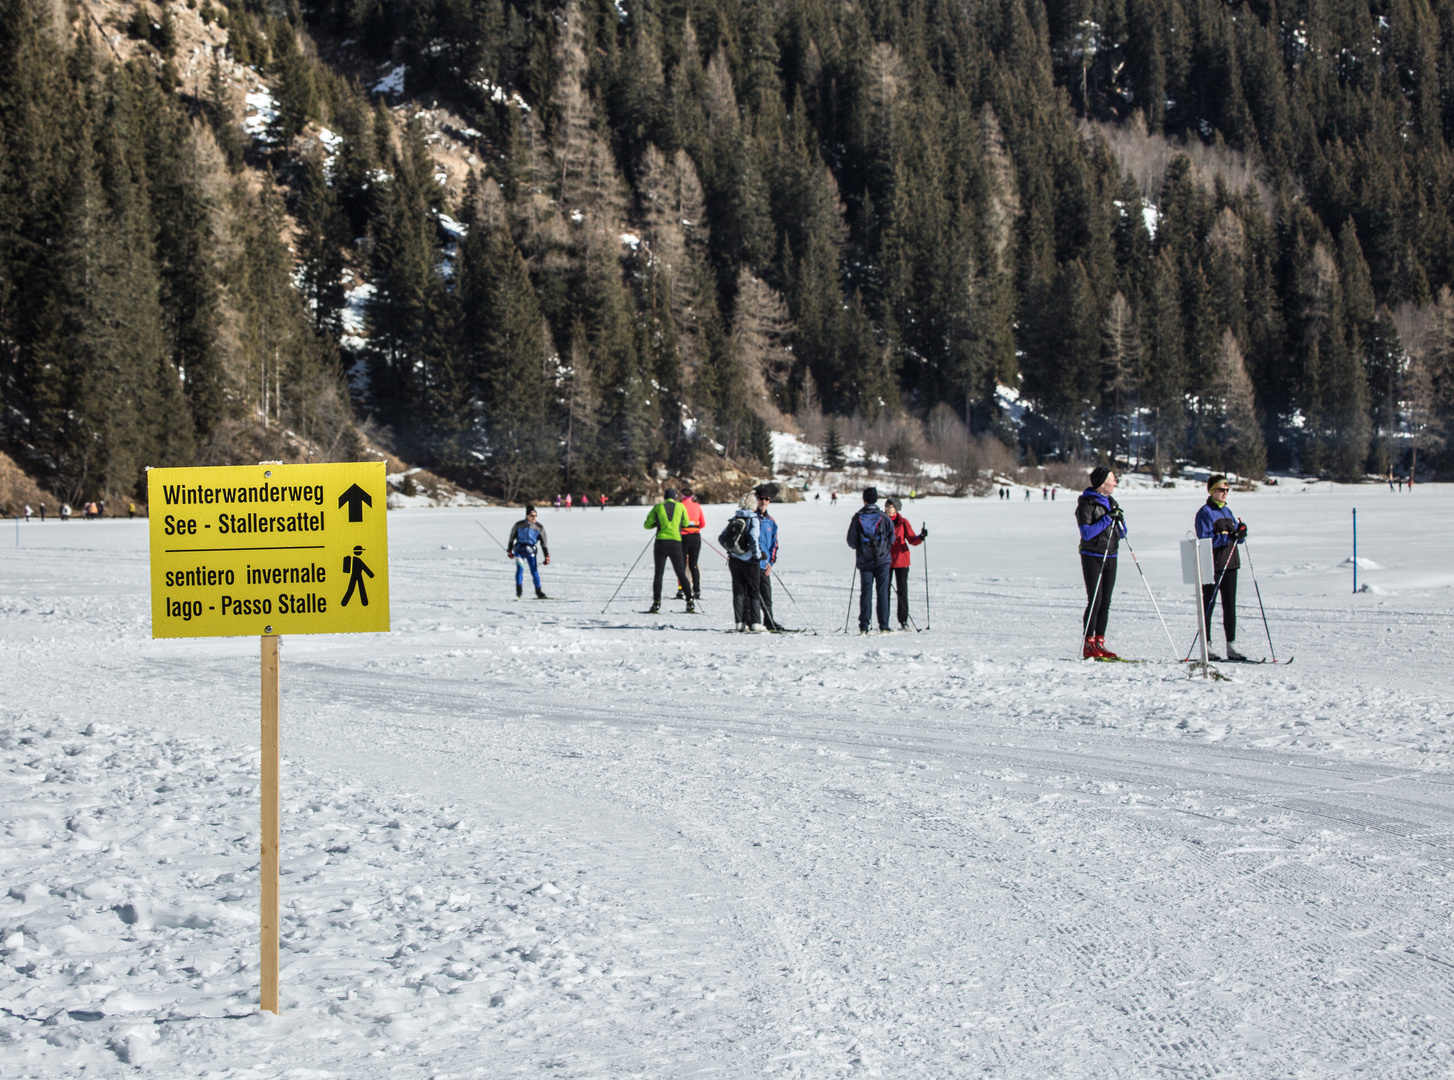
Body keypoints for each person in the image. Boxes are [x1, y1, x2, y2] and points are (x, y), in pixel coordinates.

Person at [1195, 474, 1247, 660]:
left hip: (1231, 563)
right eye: (1221, 490)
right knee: (1209, 604)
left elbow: (1235, 538)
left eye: (1227, 490)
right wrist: (1227, 537)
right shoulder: (1205, 512)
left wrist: (1240, 534)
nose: (1225, 493)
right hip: (1213, 564)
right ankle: (1206, 644)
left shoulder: (1228, 511)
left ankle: (1231, 645)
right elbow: (1206, 539)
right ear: (1211, 491)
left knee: (1229, 605)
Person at [1076, 466, 1126, 659]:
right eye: (1113, 479)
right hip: (1093, 555)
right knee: (1095, 600)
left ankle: (1099, 641)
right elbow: (1086, 533)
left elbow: (1122, 533)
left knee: (1105, 601)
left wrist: (1120, 521)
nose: (1115, 482)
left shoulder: (1111, 501)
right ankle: (1089, 643)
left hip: (1111, 555)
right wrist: (1107, 519)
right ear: (1103, 482)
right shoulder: (1086, 503)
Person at [847, 487, 895, 634]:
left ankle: (864, 626)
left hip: (865, 560)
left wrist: (861, 548)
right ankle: (884, 625)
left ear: (864, 500)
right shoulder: (884, 517)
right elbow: (892, 537)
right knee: (882, 592)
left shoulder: (858, 517)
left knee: (866, 592)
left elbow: (851, 541)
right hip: (883, 560)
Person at [644, 488, 694, 613]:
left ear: (665, 497)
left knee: (659, 573)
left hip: (661, 542)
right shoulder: (681, 507)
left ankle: (656, 603)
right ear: (675, 497)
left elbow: (647, 525)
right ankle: (690, 602)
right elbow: (686, 523)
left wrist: (657, 524)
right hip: (676, 542)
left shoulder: (658, 507)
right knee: (681, 573)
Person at [721, 493, 764, 631]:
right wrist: (756, 555)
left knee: (738, 591)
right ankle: (755, 623)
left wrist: (733, 551)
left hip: (734, 561)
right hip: (750, 561)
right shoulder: (753, 519)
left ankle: (740, 623)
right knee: (754, 590)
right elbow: (753, 538)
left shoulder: (735, 518)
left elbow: (721, 538)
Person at [884, 498, 926, 630]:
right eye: (886, 506)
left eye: (890, 506)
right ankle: (884, 621)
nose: (887, 509)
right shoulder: (881, 521)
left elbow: (912, 539)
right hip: (885, 560)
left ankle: (903, 620)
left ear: (896, 508)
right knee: (884, 592)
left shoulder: (903, 523)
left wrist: (921, 537)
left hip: (901, 560)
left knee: (902, 591)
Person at [507, 505, 550, 599]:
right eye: (532, 516)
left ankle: (539, 592)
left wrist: (546, 556)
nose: (534, 518)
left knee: (534, 571)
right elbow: (512, 537)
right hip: (519, 551)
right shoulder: (519, 525)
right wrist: (509, 550)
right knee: (520, 570)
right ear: (527, 516)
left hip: (531, 552)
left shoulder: (539, 527)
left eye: (536, 516)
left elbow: (544, 543)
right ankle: (519, 592)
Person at [754, 486, 780, 630]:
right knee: (753, 596)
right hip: (752, 563)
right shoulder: (751, 518)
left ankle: (769, 621)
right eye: (761, 498)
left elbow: (774, 544)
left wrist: (771, 563)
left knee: (767, 596)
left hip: (765, 565)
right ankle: (753, 621)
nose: (763, 502)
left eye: (766, 499)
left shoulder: (771, 521)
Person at [676, 487, 705, 601]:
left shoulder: (679, 506)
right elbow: (702, 523)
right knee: (693, 564)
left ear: (682, 495)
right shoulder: (697, 506)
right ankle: (696, 590)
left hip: (683, 537)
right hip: (695, 537)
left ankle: (681, 589)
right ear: (692, 496)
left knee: (681, 565)